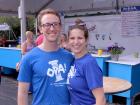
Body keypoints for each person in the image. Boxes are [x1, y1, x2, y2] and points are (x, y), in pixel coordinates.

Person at [17, 8, 73, 105]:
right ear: (40, 28)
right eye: (47, 24)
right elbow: (22, 94)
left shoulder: (69, 57)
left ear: (60, 27)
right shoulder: (29, 58)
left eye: (55, 24)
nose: (52, 28)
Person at [67, 20, 106, 105]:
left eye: (80, 38)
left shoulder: (88, 63)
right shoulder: (74, 60)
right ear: (68, 40)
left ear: (86, 40)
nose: (76, 42)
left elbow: (101, 100)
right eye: (72, 38)